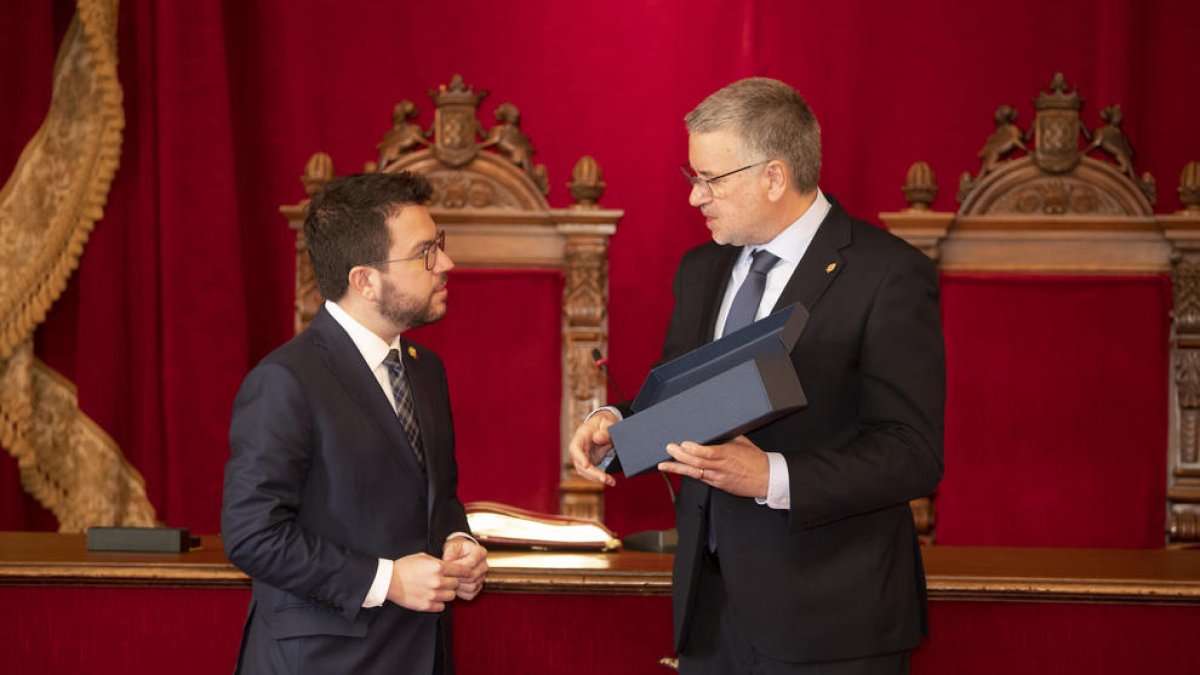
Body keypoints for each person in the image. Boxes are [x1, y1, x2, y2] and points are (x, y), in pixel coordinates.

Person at [569, 78, 944, 674]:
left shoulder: (888, 275)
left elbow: (912, 455)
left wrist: (771, 474)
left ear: (774, 176)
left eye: (710, 179)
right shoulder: (700, 268)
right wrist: (617, 424)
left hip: (831, 621)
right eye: (692, 177)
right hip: (709, 614)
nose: (696, 199)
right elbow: (679, 398)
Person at [222, 171, 487, 675]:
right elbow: (251, 534)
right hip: (323, 660)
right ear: (364, 280)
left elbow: (438, 501)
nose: (446, 264)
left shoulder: (425, 368)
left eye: (441, 245)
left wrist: (459, 543)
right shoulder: (284, 379)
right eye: (426, 251)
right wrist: (386, 580)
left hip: (422, 654)